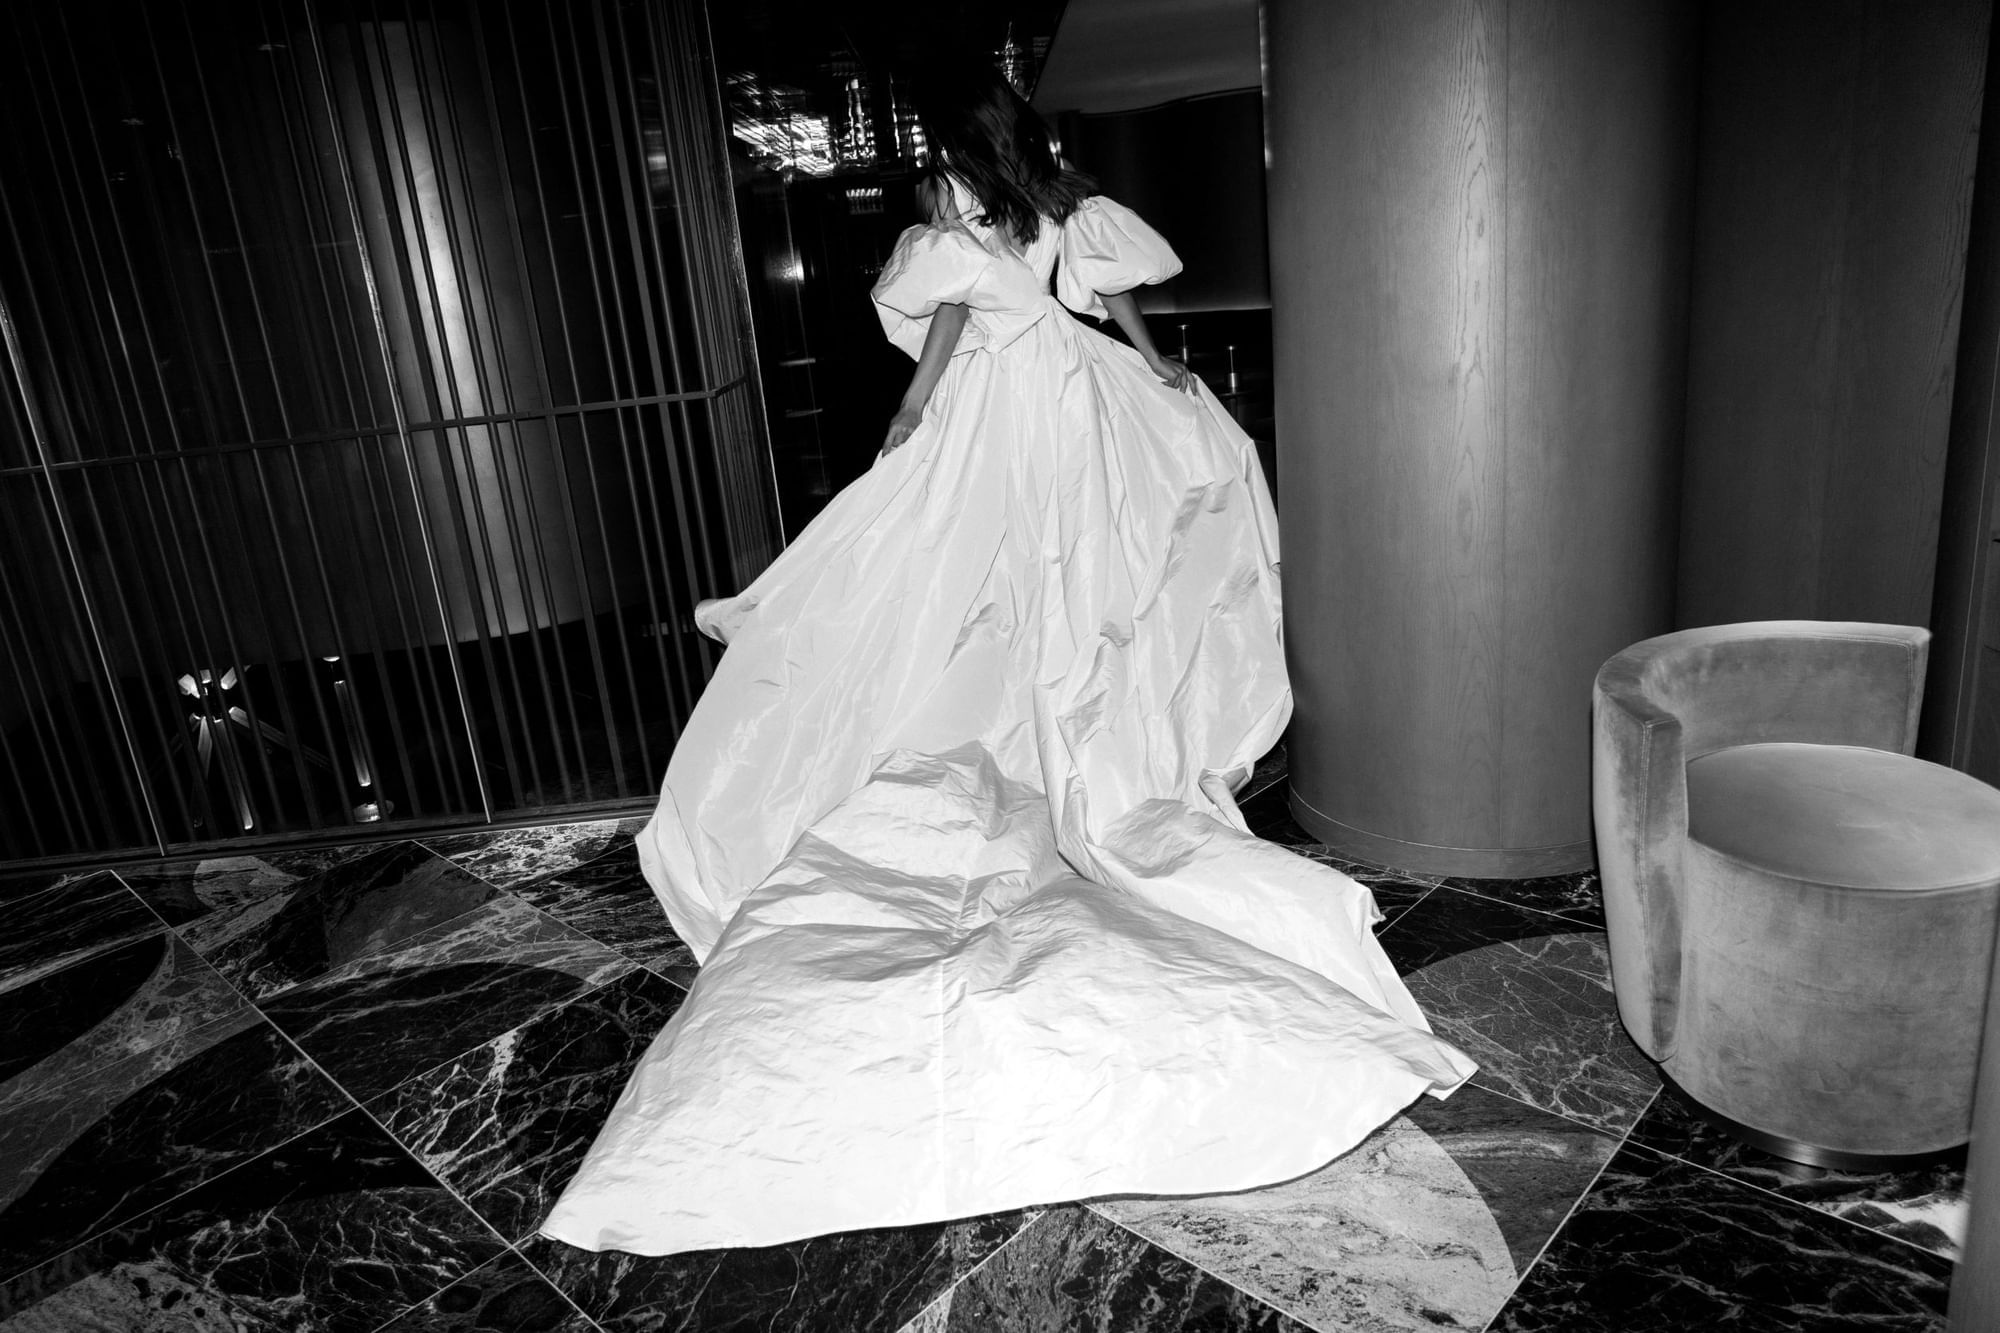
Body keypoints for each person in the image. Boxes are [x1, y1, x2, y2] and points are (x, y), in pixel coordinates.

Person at [538, 63, 1473, 1257]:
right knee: (1063, 568)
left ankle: (1018, 729)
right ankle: (1053, 728)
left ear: (956, 137)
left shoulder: (959, 197)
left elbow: (945, 323)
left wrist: (920, 410)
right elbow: (1098, 297)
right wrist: (1147, 362)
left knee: (974, 558)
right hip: (1067, 393)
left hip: (1003, 394)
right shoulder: (1052, 191)